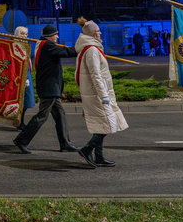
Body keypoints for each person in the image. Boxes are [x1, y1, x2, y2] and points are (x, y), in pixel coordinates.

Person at [13, 25, 79, 154]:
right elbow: (68, 52)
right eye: (56, 35)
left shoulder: (43, 44)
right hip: (49, 87)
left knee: (60, 115)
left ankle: (65, 143)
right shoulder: (47, 46)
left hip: (51, 87)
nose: (58, 37)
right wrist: (82, 47)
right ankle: (21, 140)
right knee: (42, 116)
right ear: (50, 35)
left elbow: (65, 51)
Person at [74, 17, 128, 168]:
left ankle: (99, 156)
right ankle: (87, 149)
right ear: (92, 34)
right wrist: (103, 95)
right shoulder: (91, 50)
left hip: (97, 92)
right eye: (97, 31)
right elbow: (95, 74)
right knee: (108, 124)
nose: (100, 33)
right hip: (98, 94)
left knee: (101, 124)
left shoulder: (91, 48)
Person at [14, 26, 36, 131]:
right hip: (20, 77)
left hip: (27, 76)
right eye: (22, 33)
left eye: (26, 34)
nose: (25, 36)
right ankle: (19, 122)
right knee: (21, 103)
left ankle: (20, 121)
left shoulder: (25, 45)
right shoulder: (16, 46)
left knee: (26, 102)